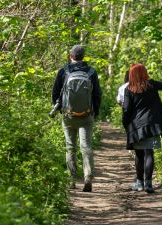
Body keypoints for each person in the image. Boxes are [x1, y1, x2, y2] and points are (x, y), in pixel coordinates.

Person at [122, 63, 162, 193]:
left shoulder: (129, 89)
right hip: (152, 125)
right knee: (149, 153)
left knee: (139, 155)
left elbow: (126, 110)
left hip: (136, 126)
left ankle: (139, 184)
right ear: (144, 72)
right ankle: (148, 184)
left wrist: (126, 125)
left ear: (131, 75)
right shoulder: (152, 84)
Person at [52, 45, 102, 192]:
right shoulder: (91, 72)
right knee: (86, 146)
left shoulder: (63, 71)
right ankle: (88, 176)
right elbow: (97, 95)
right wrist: (95, 112)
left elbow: (55, 93)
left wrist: (61, 109)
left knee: (70, 147)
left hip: (68, 115)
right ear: (83, 56)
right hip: (87, 115)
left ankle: (71, 180)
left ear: (71, 55)